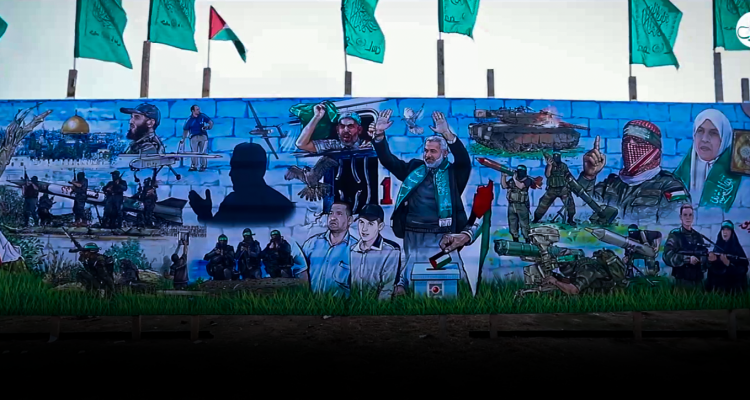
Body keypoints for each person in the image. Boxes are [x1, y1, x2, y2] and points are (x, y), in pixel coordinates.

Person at [369, 109, 472, 294]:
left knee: (450, 276)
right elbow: (389, 161)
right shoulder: (415, 169)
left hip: (442, 236)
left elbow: (464, 161)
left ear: (444, 153)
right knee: (413, 275)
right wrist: (379, 136)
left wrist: (447, 133)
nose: (428, 155)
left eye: (433, 151)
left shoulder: (454, 174)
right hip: (413, 234)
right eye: (426, 151)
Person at [577, 122, 691, 224]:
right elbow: (580, 210)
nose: (629, 146)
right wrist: (588, 176)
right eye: (626, 141)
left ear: (654, 149)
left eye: (638, 142)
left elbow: (672, 228)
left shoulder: (670, 187)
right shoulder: (611, 184)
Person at [188, 143, 295, 226]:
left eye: (236, 168)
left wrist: (204, 214)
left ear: (255, 171)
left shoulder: (232, 204)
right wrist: (204, 213)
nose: (230, 174)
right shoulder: (284, 206)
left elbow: (216, 231)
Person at [674, 108, 749, 212]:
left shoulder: (741, 181)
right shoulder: (680, 173)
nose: (704, 139)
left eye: (713, 133)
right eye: (700, 131)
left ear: (724, 139)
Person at [299, 201, 358, 297]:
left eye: (339, 214)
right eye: (330, 213)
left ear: (349, 220)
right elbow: (298, 272)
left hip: (340, 305)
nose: (333, 218)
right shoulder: (312, 243)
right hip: (311, 303)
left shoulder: (356, 249)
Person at [349, 204, 401, 300]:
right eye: (361, 222)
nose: (364, 229)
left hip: (377, 306)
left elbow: (387, 287)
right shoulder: (352, 250)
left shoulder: (390, 250)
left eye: (370, 224)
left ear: (380, 226)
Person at [541, 249, 629, 295]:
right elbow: (573, 281)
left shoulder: (586, 269)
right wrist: (557, 278)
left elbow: (573, 290)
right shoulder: (581, 267)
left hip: (609, 294)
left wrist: (555, 282)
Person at [663, 204, 707, 288]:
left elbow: (705, 255)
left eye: (690, 215)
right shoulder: (675, 235)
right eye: (685, 215)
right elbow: (667, 256)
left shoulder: (698, 236)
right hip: (682, 280)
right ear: (681, 217)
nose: (688, 218)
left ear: (693, 217)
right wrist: (687, 259)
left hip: (698, 280)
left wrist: (703, 260)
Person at [295, 106, 370, 153]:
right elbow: (301, 144)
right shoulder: (333, 145)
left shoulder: (366, 143)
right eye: (342, 126)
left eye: (350, 126)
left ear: (359, 130)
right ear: (337, 130)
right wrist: (317, 117)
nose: (346, 130)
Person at [532, 152, 576, 226]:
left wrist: (570, 186)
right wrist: (549, 165)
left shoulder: (564, 166)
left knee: (570, 204)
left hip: (563, 189)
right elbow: (547, 175)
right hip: (552, 189)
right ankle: (536, 219)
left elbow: (568, 176)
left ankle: (570, 219)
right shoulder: (549, 166)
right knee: (543, 204)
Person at [705, 220, 748, 293]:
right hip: (718, 286)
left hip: (732, 286)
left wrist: (729, 264)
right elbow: (711, 267)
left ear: (732, 232)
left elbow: (743, 268)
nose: (725, 232)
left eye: (728, 230)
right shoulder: (717, 247)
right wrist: (710, 261)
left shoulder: (736, 248)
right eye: (723, 229)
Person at [501, 165, 535, 243]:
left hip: (522, 206)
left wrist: (514, 178)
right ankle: (515, 240)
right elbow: (504, 186)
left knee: (524, 225)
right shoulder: (512, 180)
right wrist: (503, 176)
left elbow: (520, 186)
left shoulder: (528, 180)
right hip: (512, 205)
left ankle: (527, 241)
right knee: (512, 224)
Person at [181, 105, 213, 172]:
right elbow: (185, 130)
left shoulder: (202, 116)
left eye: (199, 109)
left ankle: (203, 166)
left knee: (203, 151)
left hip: (203, 136)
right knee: (194, 152)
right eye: (197, 109)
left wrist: (208, 127)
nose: (199, 110)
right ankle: (194, 166)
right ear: (193, 111)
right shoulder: (189, 120)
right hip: (194, 137)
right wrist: (183, 139)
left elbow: (210, 122)